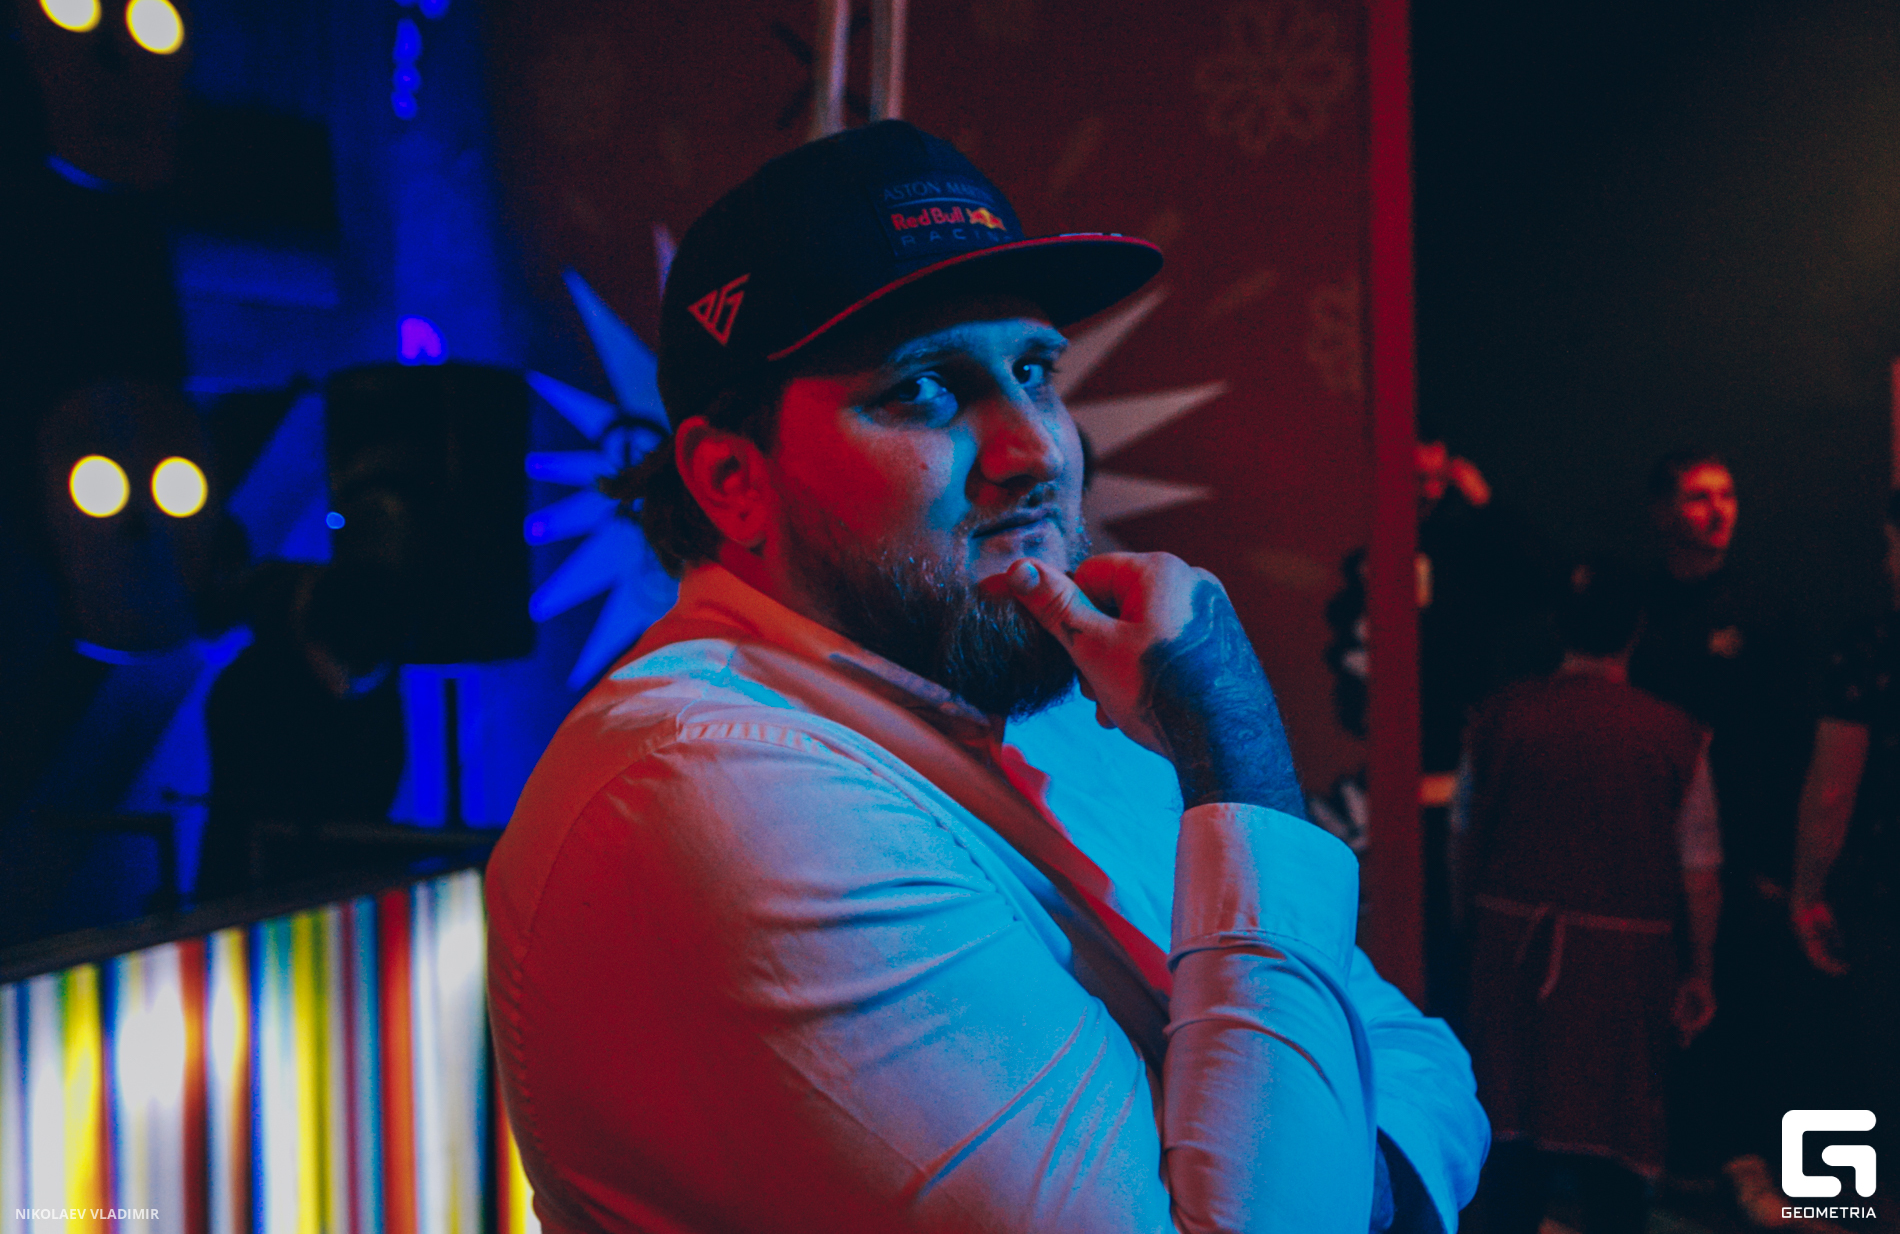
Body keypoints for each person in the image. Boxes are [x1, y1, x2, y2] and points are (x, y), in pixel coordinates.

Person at [485, 122, 1487, 1234]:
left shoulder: (1027, 698)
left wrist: (1341, 1177)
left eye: (1034, 372)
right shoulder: (709, 789)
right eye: (923, 389)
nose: (1039, 451)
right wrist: (1238, 755)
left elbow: (1418, 1057)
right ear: (730, 479)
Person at [1458, 562, 1720, 1234]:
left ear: (1557, 627)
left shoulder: (1501, 716)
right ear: (1636, 632)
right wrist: (1700, 970)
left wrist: (1468, 927)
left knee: (1511, 1135)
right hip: (1625, 968)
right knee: (1616, 1146)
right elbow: (1700, 867)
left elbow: (1463, 835)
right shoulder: (1673, 733)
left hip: (1511, 954)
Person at [1626, 451, 1815, 1218]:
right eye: (1699, 496)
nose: (1718, 509)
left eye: (1728, 494)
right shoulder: (1639, 611)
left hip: (1738, 847)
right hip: (1645, 846)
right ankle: (1659, 1160)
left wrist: (1777, 861)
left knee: (1739, 1001)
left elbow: (1793, 741)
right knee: (1651, 998)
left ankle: (1741, 1160)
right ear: (1662, 510)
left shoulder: (1762, 611)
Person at [1787, 492, 1900, 1162]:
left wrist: (1807, 891)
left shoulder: (1871, 648)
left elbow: (1835, 787)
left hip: (1884, 888)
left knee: (1878, 1060)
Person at [197, 561, 406, 898]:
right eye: (339, 669)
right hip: (262, 883)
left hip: (331, 879)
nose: (342, 686)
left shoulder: (371, 675)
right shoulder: (244, 692)